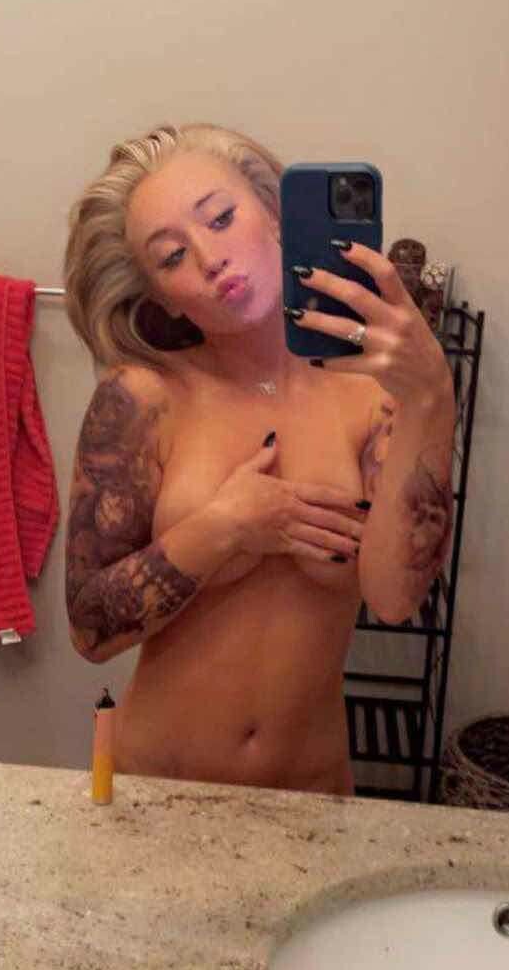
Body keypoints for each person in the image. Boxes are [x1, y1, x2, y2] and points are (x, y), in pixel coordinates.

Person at [63, 122, 456, 795]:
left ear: (276, 215)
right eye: (171, 256)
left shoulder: (371, 398)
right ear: (160, 296)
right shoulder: (143, 398)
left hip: (311, 799)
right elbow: (90, 628)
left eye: (220, 219)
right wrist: (226, 527)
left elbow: (396, 597)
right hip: (154, 795)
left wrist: (432, 397)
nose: (209, 258)